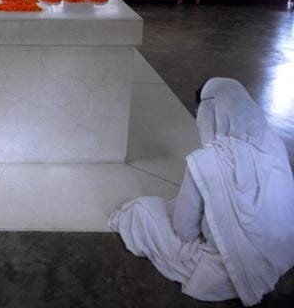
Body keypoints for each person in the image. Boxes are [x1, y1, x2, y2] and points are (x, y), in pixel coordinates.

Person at [108, 78, 294, 306]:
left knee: (139, 211)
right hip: (280, 251)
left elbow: (184, 230)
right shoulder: (273, 145)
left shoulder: (206, 162)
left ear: (208, 114)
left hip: (226, 272)